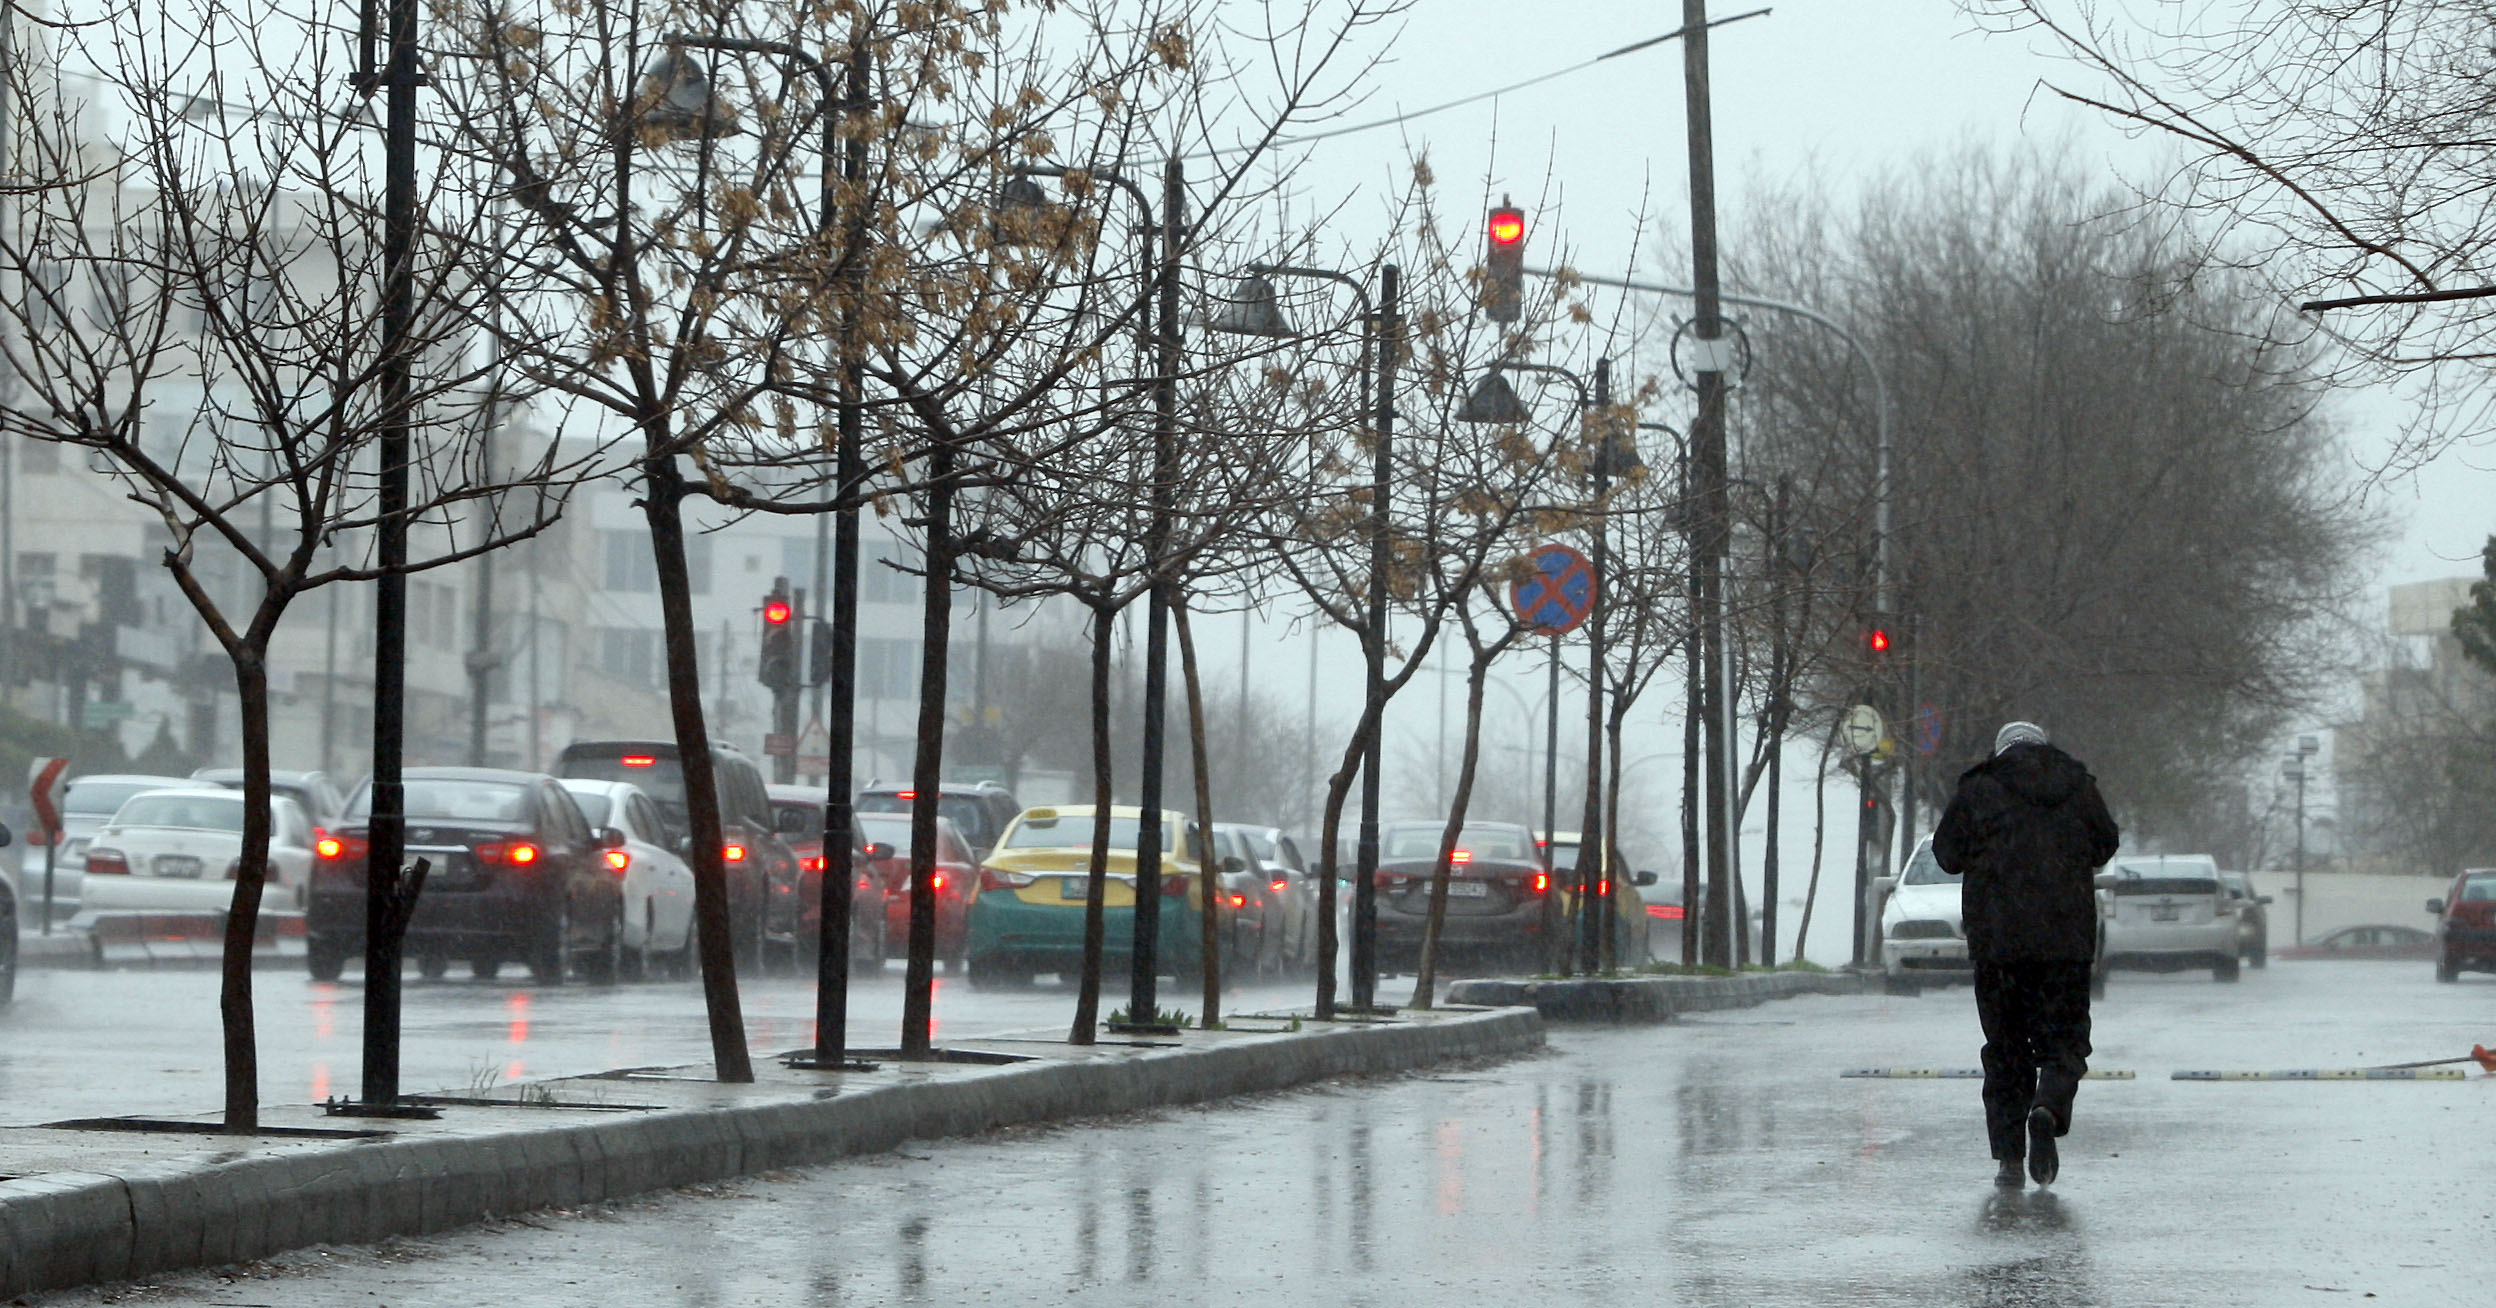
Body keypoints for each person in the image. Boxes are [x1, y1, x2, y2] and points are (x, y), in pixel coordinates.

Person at [1932, 720, 2119, 1188]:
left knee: (2006, 1049)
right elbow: (2105, 844)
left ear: (2000, 750)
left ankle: (2010, 1157)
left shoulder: (1978, 789)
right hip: (2065, 944)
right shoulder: (2078, 786)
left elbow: (1946, 854)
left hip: (1999, 946)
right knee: (2065, 1042)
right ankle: (2047, 1106)